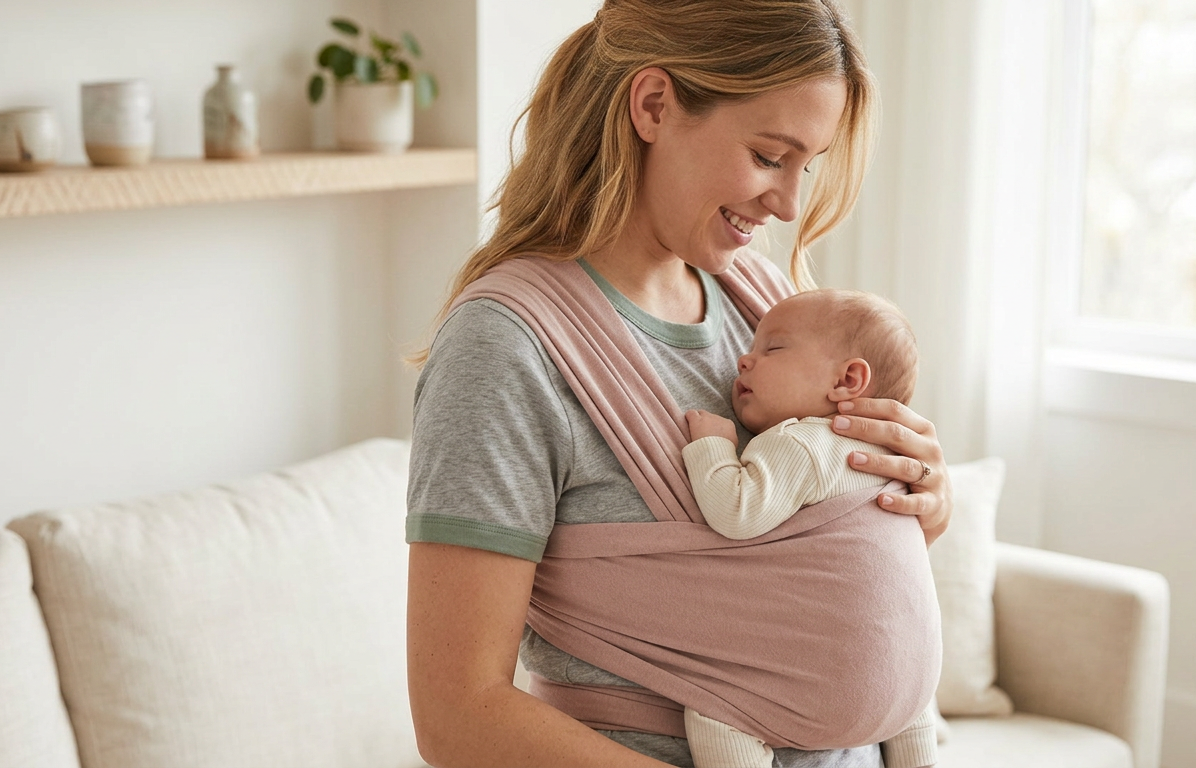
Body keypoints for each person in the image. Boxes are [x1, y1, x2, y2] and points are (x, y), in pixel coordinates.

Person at [405, 1, 953, 766]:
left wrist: (910, 504)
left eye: (809, 166)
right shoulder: (507, 347)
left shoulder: (763, 307)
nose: (790, 204)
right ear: (655, 106)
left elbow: (812, 556)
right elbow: (458, 715)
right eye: (769, 157)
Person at [681, 288, 938, 768]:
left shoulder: (803, 442)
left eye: (772, 349)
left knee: (714, 705)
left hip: (833, 688)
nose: (743, 360)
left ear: (847, 379)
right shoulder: (895, 461)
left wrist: (713, 447)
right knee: (911, 680)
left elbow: (737, 511)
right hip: (912, 682)